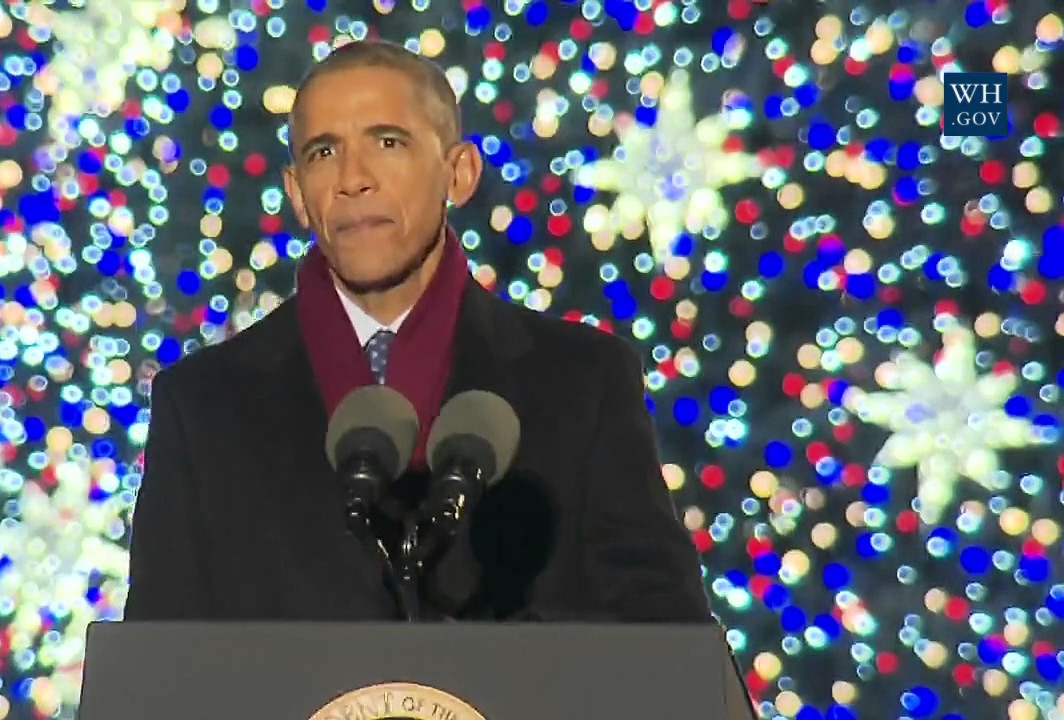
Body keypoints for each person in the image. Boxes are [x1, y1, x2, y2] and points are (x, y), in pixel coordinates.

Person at [123, 40, 712, 623]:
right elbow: (163, 675)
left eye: (387, 142)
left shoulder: (583, 382)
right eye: (323, 152)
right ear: (298, 194)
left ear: (459, 173)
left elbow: (665, 642)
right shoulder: (203, 407)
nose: (352, 179)